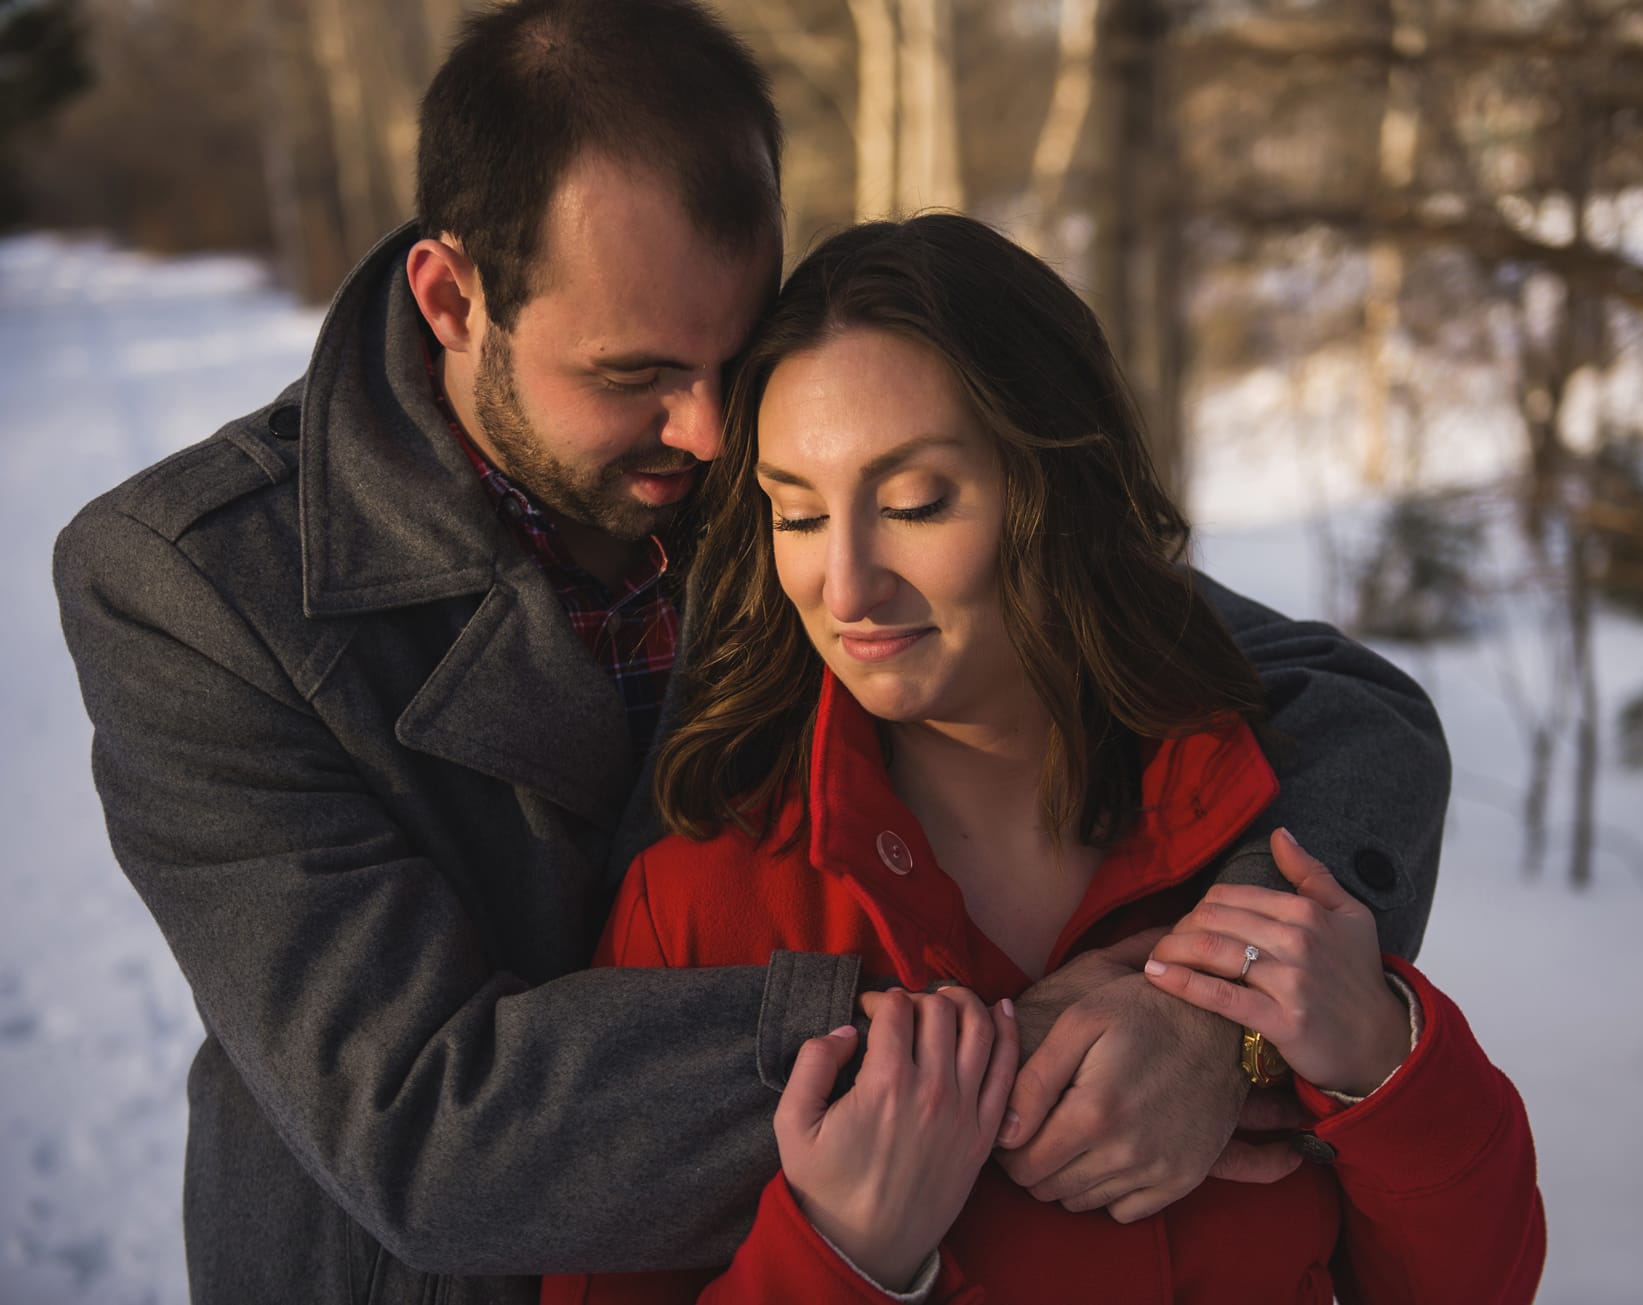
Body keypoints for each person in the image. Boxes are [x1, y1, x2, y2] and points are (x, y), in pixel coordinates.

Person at [51, 2, 1450, 1302]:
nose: (715, 436)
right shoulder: (193, 588)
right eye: (636, 375)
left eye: (731, 353)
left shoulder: (791, 460)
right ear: (452, 299)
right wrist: (976, 1045)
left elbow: (1337, 711)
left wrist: (1214, 1012)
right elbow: (424, 1119)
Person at [544, 214, 1542, 1305]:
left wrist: (1387, 1060)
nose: (846, 585)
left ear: (1061, 487)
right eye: (795, 512)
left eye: (915, 503)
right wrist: (840, 1256)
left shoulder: (1271, 830)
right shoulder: (702, 908)